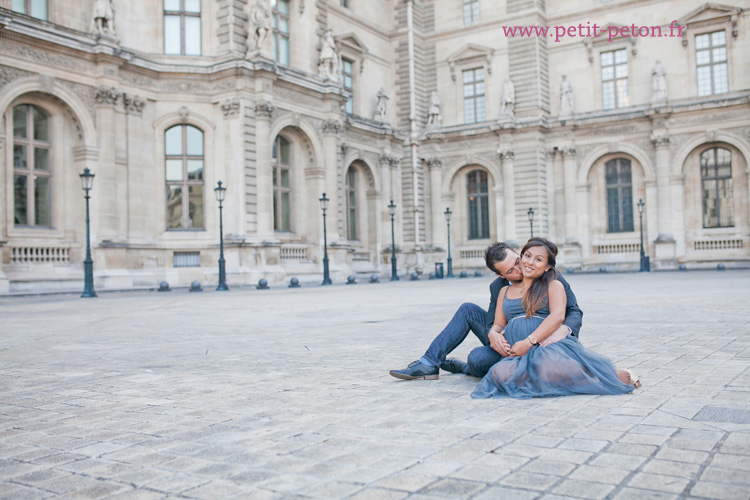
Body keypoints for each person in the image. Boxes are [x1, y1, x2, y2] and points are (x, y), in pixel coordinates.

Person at [472, 238, 640, 399]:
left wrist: (529, 341)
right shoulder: (503, 291)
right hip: (516, 350)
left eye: (538, 260)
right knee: (498, 375)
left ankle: (599, 374)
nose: (529, 262)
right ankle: (560, 377)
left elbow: (558, 315)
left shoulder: (553, 285)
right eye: (527, 256)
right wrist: (493, 334)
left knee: (546, 371)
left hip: (543, 343)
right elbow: (498, 324)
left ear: (547, 267)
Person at [389, 241, 582, 380]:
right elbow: (493, 322)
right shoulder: (498, 288)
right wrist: (493, 335)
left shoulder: (548, 275)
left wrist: (561, 332)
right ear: (500, 274)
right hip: (509, 344)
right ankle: (428, 363)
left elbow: (573, 311)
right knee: (469, 316)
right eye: (510, 271)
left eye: (517, 261)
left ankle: (465, 368)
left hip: (543, 340)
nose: (520, 269)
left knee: (478, 361)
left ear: (517, 252)